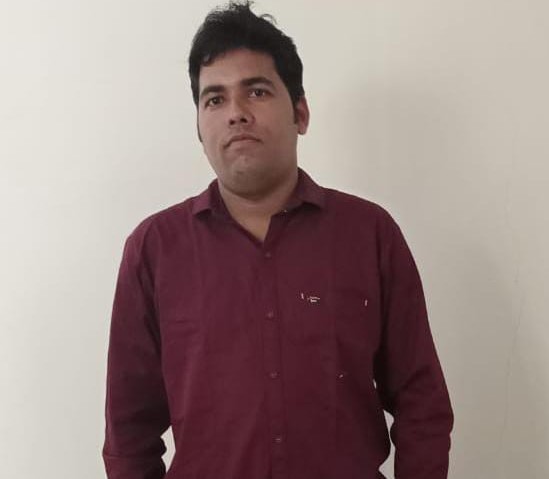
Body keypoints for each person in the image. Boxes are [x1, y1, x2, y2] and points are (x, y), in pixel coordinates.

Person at [102, 2, 453, 478]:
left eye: (257, 91)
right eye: (214, 100)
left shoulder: (370, 235)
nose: (236, 114)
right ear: (199, 128)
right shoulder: (154, 250)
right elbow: (128, 433)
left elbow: (422, 403)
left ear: (300, 113)